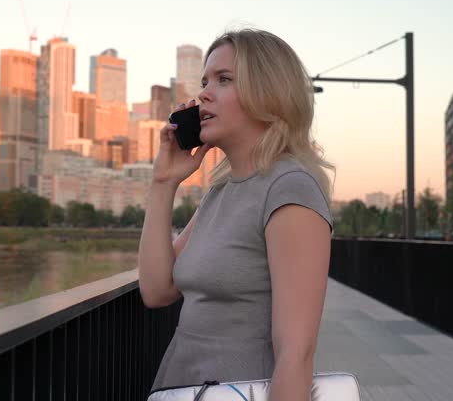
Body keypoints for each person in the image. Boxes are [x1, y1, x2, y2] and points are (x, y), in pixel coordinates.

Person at [138, 29, 335, 398]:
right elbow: (156, 289)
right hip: (185, 385)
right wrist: (163, 184)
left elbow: (296, 354)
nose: (204, 94)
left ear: (269, 94)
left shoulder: (290, 188)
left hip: (242, 389)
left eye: (224, 80)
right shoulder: (221, 190)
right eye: (205, 81)